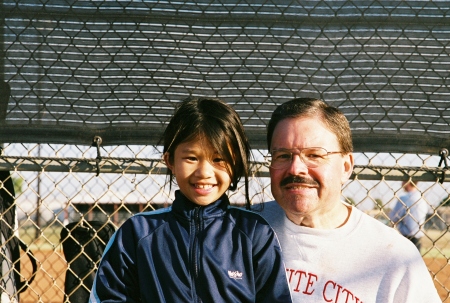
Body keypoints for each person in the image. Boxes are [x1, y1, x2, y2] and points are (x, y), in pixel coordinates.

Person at [89, 97, 292, 303]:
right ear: (170, 161)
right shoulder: (138, 233)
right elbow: (109, 297)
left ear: (236, 163)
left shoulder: (254, 234)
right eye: (192, 158)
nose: (204, 172)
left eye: (218, 159)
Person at [257, 97, 441, 302]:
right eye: (282, 155)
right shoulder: (238, 231)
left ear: (346, 167)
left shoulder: (395, 257)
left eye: (315, 155)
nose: (295, 169)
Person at [389, 180, 429, 250]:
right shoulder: (422, 198)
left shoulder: (404, 198)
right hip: (418, 237)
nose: (401, 184)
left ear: (407, 182)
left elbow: (393, 218)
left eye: (403, 181)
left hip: (406, 237)